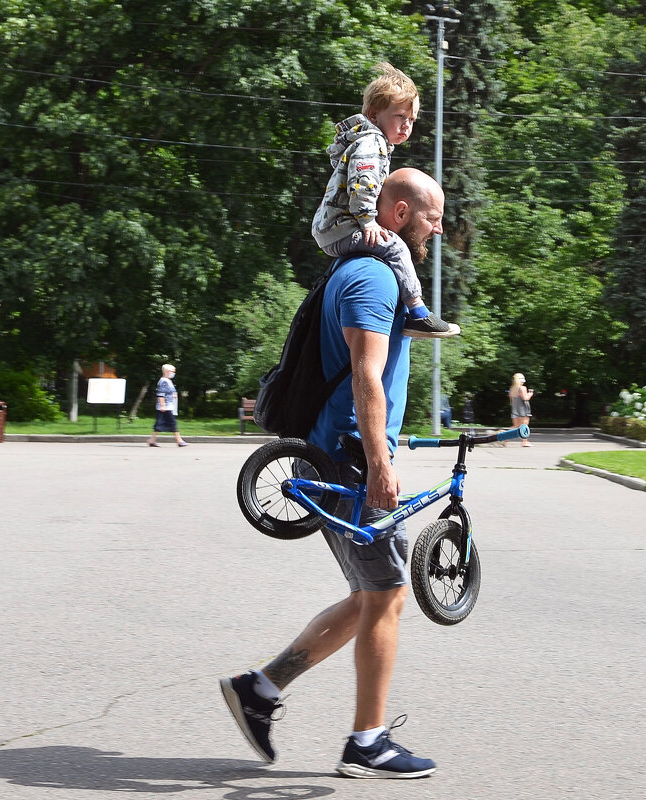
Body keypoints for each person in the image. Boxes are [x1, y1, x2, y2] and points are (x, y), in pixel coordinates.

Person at [222, 168, 444, 779]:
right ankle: (367, 741)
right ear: (396, 213)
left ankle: (259, 689)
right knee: (389, 594)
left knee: (372, 593)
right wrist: (379, 462)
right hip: (347, 460)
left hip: (335, 456)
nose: (438, 227)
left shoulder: (357, 273)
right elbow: (366, 375)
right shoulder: (373, 277)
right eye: (431, 216)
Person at [311, 62, 459, 340]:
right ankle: (418, 313)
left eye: (412, 120)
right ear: (373, 114)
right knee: (395, 247)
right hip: (342, 227)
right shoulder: (372, 143)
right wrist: (367, 222)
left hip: (333, 227)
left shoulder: (372, 142)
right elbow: (362, 184)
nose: (406, 125)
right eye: (400, 116)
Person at [148, 364, 187, 447]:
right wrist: (162, 405)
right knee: (172, 423)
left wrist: (174, 395)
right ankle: (179, 441)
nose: (174, 373)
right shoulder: (164, 381)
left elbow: (170, 392)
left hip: (169, 406)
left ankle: (152, 440)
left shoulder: (168, 380)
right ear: (166, 372)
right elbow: (160, 394)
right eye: (172, 371)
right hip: (165, 406)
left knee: (159, 424)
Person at [509, 373, 534, 447]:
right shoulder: (522, 388)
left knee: (515, 426)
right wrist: (530, 394)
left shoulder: (512, 389)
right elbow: (525, 398)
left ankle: (503, 437)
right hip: (523, 410)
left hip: (515, 410)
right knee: (524, 426)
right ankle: (525, 442)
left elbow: (511, 401)